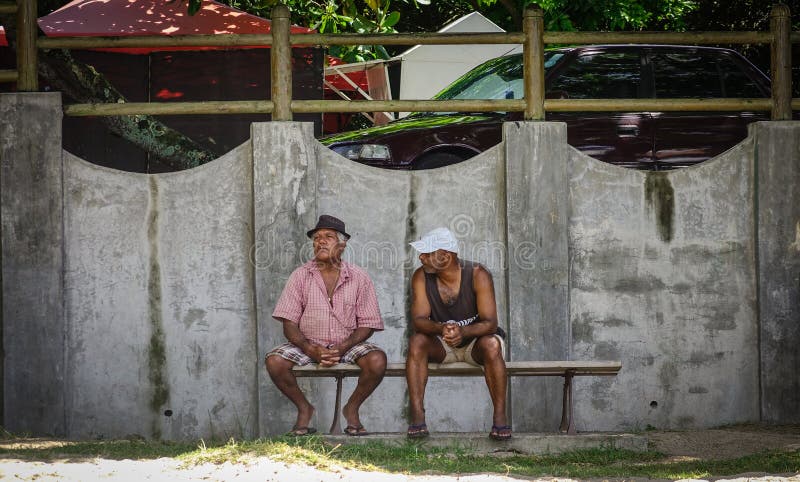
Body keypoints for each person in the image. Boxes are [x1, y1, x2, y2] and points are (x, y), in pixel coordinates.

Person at [265, 214, 387, 436]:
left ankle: (352, 409)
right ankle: (304, 409)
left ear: (342, 244)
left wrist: (343, 346)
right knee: (274, 361)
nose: (320, 241)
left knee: (377, 360)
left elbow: (367, 324)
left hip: (347, 345)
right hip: (309, 345)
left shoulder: (359, 278)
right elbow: (289, 322)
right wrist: (310, 348)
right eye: (316, 238)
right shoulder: (300, 276)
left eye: (328, 237)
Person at [405, 227, 510, 441]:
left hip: (476, 344)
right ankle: (417, 416)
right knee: (417, 342)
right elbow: (419, 321)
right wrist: (441, 329)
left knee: (492, 344)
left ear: (446, 256)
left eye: (427, 253)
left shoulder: (478, 274)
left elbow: (490, 323)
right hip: (442, 343)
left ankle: (500, 416)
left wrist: (463, 332)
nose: (421, 257)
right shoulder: (421, 276)